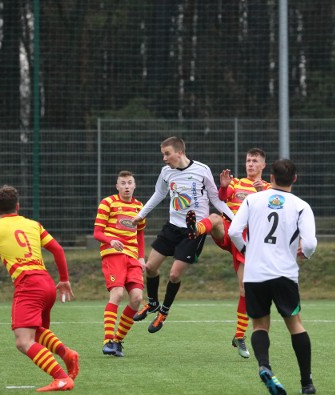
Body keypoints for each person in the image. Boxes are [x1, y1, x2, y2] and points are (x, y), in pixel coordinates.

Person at [0, 185, 79, 392]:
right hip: (46, 284)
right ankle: (67, 353)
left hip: (28, 286)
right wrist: (64, 279)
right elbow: (57, 249)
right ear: (18, 206)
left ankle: (62, 378)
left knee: (23, 341)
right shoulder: (33, 225)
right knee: (37, 333)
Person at [228, 159, 317, 395]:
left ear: (271, 177)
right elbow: (309, 243)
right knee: (295, 325)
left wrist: (247, 251)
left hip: (255, 273)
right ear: (295, 179)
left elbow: (234, 231)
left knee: (259, 325)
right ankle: (306, 383)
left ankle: (265, 367)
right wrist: (304, 254)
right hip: (284, 273)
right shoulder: (301, 206)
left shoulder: (252, 199)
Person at [130, 136, 234, 333]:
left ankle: (164, 312)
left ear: (179, 152)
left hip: (193, 231)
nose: (164, 158)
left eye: (167, 154)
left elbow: (216, 199)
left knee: (174, 274)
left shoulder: (202, 170)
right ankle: (152, 303)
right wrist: (140, 214)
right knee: (150, 268)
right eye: (163, 154)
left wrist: (235, 220)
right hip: (172, 227)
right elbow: (159, 194)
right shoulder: (166, 172)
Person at [188, 148, 271, 358]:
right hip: (229, 230)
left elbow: (271, 213)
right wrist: (224, 187)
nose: (250, 164)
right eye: (248, 160)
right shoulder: (236, 183)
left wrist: (263, 194)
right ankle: (195, 231)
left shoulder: (268, 188)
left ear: (263, 165)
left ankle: (239, 336)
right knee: (215, 217)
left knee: (245, 290)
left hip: (246, 242)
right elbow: (222, 198)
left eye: (254, 161)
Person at [94, 171, 146, 357]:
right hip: (113, 254)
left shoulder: (139, 206)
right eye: (122, 183)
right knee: (117, 293)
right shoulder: (108, 203)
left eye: (129, 183)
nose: (126, 186)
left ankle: (118, 340)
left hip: (132, 257)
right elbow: (97, 232)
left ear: (134, 185)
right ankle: (108, 340)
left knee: (137, 298)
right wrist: (110, 241)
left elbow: (140, 233)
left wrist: (141, 257)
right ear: (117, 186)